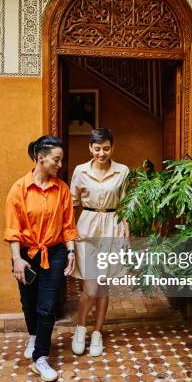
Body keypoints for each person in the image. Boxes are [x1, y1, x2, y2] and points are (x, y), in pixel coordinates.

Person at [4, 135, 78, 382]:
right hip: (26, 253)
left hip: (54, 252)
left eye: (61, 160)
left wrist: (70, 253)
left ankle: (40, 358)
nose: (60, 164)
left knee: (47, 307)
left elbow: (68, 226)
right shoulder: (18, 189)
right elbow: (13, 228)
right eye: (56, 159)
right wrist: (17, 259)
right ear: (41, 158)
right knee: (28, 301)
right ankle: (34, 336)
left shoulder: (63, 189)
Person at [70, 128, 129, 357]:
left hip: (112, 227)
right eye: (97, 149)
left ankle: (97, 333)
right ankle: (80, 328)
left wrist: (126, 234)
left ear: (112, 147)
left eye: (106, 148)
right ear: (90, 148)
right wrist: (69, 235)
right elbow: (73, 203)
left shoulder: (122, 171)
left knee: (103, 285)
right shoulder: (80, 171)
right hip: (87, 227)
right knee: (91, 286)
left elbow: (126, 205)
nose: (101, 153)